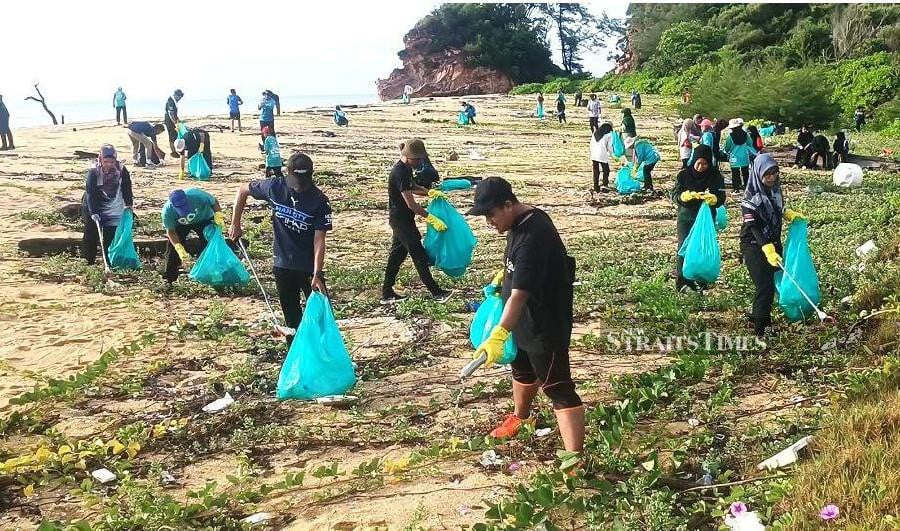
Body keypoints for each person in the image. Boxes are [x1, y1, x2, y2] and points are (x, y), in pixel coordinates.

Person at [465, 177, 583, 454]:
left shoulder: (533, 236)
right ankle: (521, 416)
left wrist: (499, 334)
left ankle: (575, 458)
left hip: (544, 326)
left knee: (558, 388)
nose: (488, 222)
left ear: (508, 205)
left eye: (491, 215)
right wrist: (501, 277)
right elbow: (520, 269)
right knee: (522, 371)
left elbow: (519, 295)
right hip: (522, 322)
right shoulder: (520, 221)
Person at [230, 152, 332, 337]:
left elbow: (319, 240)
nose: (300, 186)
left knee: (323, 317)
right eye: (296, 180)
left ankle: (323, 359)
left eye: (304, 180)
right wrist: (235, 223)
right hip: (283, 264)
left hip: (308, 267)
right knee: (292, 320)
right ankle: (296, 359)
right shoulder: (274, 186)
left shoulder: (319, 201)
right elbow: (243, 189)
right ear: (288, 173)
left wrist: (317, 274)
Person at [740, 153, 806, 337]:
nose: (771, 178)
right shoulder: (749, 200)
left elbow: (778, 208)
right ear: (758, 175)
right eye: (767, 174)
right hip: (754, 244)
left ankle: (757, 316)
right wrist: (766, 248)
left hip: (773, 242)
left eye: (774, 173)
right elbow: (753, 227)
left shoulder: (776, 191)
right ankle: (762, 328)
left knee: (775, 282)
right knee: (765, 286)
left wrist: (789, 214)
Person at [380, 139, 453, 304]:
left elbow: (411, 186)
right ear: (408, 157)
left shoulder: (406, 169)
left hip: (403, 220)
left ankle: (386, 293)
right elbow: (411, 204)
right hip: (401, 221)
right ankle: (436, 292)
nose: (420, 162)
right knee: (419, 255)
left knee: (396, 256)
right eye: (418, 159)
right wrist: (431, 218)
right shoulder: (399, 171)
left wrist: (429, 193)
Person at [671, 145, 725, 292]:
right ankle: (682, 281)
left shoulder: (715, 177)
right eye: (698, 163)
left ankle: (701, 279)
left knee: (702, 248)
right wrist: (683, 197)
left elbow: (721, 197)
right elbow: (674, 194)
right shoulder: (684, 175)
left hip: (705, 220)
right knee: (684, 248)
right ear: (693, 160)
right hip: (686, 218)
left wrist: (714, 199)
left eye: (705, 163)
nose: (701, 167)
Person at [82, 145, 133, 266]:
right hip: (94, 204)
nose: (109, 164)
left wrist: (129, 203)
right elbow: (90, 193)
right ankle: (88, 261)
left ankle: (108, 261)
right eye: (106, 161)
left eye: (112, 161)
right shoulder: (93, 171)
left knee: (110, 234)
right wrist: (93, 211)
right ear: (100, 159)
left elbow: (126, 186)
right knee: (91, 234)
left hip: (113, 205)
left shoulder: (121, 169)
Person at [160, 188, 224, 283]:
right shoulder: (167, 211)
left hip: (204, 218)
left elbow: (214, 202)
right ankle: (169, 279)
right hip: (181, 225)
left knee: (209, 244)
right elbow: (171, 231)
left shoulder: (197, 194)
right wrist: (179, 248)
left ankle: (210, 274)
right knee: (172, 248)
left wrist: (218, 215)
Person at [723, 118, 756, 192]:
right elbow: (750, 143)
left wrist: (726, 151)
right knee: (745, 173)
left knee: (735, 174)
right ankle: (747, 187)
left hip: (734, 157)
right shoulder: (745, 134)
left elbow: (727, 147)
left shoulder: (730, 136)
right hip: (744, 156)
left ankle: (736, 188)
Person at [590, 122, 615, 192]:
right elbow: (610, 147)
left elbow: (591, 144)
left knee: (596, 171)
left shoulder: (595, 133)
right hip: (602, 154)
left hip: (594, 154)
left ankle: (596, 187)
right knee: (606, 170)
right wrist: (613, 156)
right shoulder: (609, 135)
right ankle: (605, 185)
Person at [164, 89, 184, 157]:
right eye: (179, 97)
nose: (180, 99)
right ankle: (173, 152)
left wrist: (178, 119)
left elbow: (174, 114)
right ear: (175, 95)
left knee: (175, 135)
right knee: (172, 136)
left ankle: (176, 150)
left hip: (172, 120)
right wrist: (175, 123)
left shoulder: (173, 101)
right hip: (169, 122)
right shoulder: (170, 101)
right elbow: (171, 114)